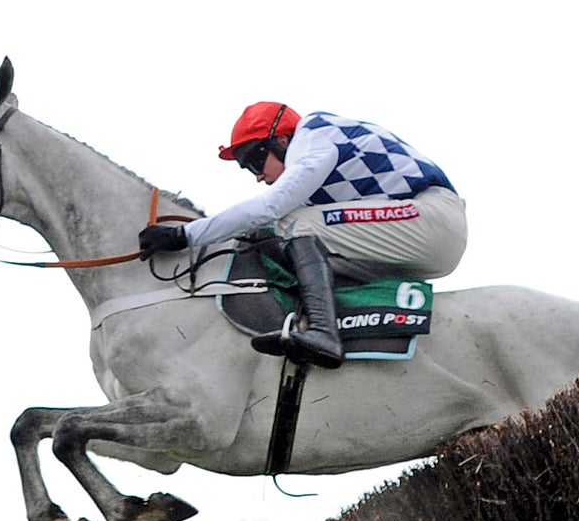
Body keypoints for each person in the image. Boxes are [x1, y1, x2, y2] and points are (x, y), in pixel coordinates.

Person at [140, 102, 464, 369]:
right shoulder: (309, 154)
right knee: (279, 235)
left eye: (254, 161)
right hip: (418, 232)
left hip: (433, 218)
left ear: (281, 140)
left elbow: (270, 207)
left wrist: (184, 236)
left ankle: (324, 332)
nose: (258, 176)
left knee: (295, 223)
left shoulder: (313, 137)